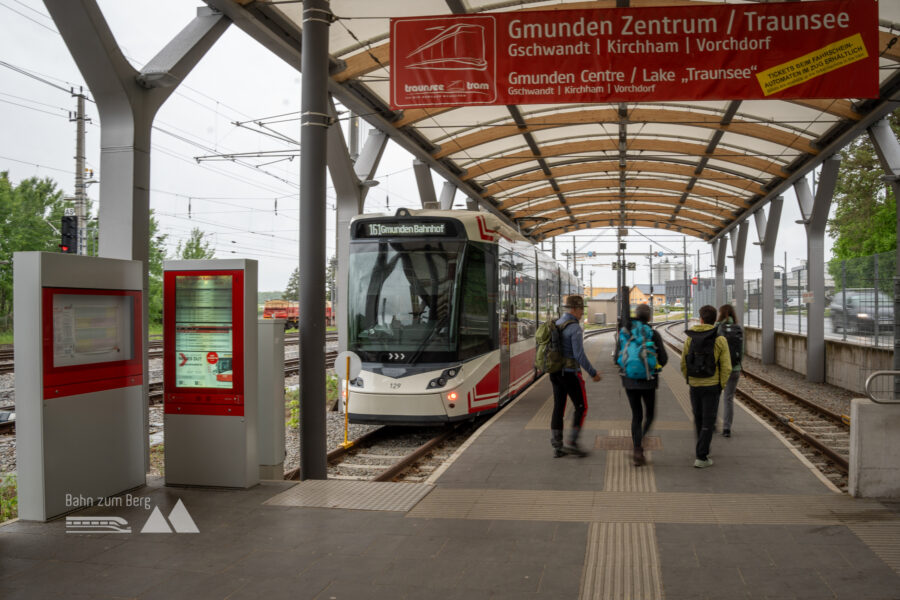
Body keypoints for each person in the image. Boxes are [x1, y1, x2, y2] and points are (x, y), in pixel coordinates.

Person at [615, 304, 668, 466]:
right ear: (649, 317)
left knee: (636, 415)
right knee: (650, 414)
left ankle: (637, 448)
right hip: (649, 381)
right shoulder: (653, 334)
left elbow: (616, 359)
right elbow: (664, 359)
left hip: (629, 381)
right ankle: (641, 440)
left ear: (636, 315)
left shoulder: (626, 332)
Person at [550, 295, 602, 458]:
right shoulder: (575, 328)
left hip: (555, 372)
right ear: (574, 309)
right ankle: (573, 442)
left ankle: (558, 446)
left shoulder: (557, 323)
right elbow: (579, 355)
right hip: (570, 374)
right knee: (581, 406)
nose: (582, 313)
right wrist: (593, 373)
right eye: (581, 310)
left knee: (559, 407)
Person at [681, 304, 731, 468]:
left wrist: (690, 379)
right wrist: (720, 385)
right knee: (708, 421)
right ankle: (701, 456)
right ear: (714, 320)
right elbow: (727, 367)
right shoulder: (720, 339)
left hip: (695, 385)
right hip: (712, 385)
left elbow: (683, 363)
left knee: (698, 417)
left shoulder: (690, 338)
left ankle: (701, 450)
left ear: (701, 319)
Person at [715, 304, 743, 438]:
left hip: (720, 368)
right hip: (735, 368)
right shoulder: (738, 328)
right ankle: (727, 429)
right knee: (728, 398)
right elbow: (741, 351)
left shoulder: (718, 327)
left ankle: (713, 424)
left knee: (714, 397)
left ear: (720, 314)